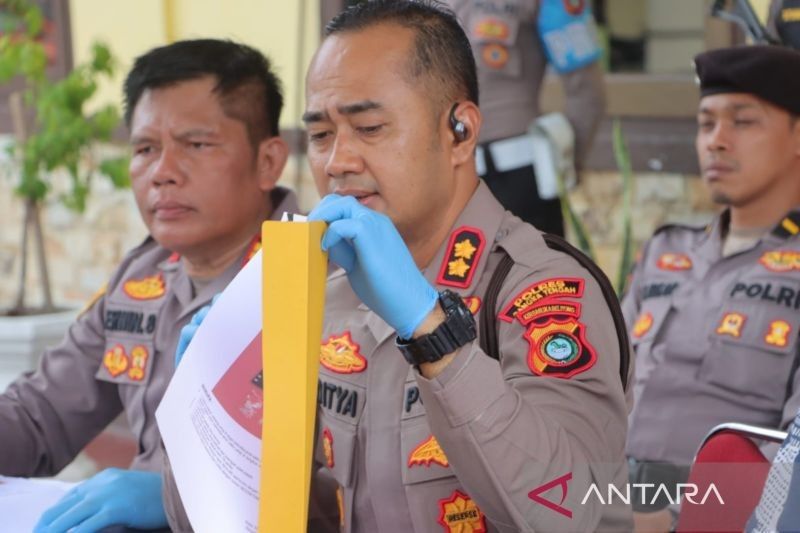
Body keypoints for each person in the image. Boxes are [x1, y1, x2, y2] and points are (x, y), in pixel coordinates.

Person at [163, 1, 631, 531]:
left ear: (460, 132)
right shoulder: (320, 291)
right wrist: (208, 411)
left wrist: (433, 332)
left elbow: (574, 512)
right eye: (320, 135)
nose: (338, 161)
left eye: (369, 127)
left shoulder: (540, 289)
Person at [9, 38, 295, 533]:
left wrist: (171, 495)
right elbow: (41, 415)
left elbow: (336, 484)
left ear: (268, 162)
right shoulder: (142, 277)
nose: (162, 173)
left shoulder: (318, 284)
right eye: (145, 149)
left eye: (197, 145)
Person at [622, 45, 800, 530]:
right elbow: (593, 385)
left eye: (743, 122)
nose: (717, 141)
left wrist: (673, 520)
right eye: (706, 124)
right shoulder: (665, 250)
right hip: (607, 495)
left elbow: (795, 454)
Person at [442, 0, 606, 236]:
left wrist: (565, 163)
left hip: (518, 181)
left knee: (532, 272)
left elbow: (588, 93)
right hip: (443, 181)